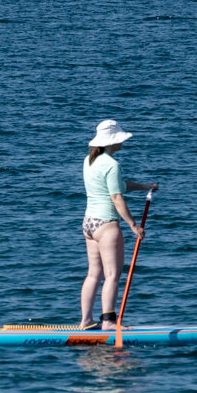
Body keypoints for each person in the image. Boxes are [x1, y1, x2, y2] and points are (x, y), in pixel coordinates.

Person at [80, 119, 158, 330]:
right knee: (112, 275)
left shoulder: (89, 160)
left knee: (93, 274)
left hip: (89, 223)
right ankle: (108, 322)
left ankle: (86, 321)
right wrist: (133, 225)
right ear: (112, 142)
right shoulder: (112, 165)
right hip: (106, 225)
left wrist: (145, 187)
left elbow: (120, 186)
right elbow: (116, 197)